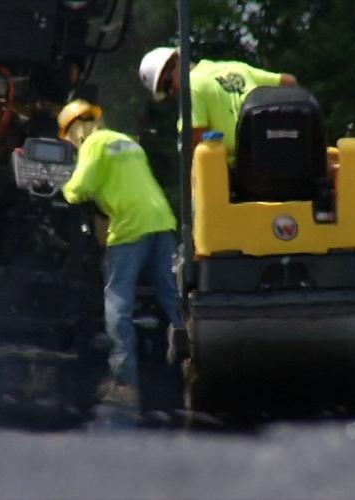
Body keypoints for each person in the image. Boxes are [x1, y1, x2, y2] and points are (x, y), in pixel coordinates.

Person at [58, 99, 186, 406]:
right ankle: (190, 363)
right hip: (162, 220)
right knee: (172, 296)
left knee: (117, 302)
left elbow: (79, 188)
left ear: (74, 132)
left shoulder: (92, 145)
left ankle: (125, 381)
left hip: (130, 227)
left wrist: (63, 186)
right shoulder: (127, 142)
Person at [138, 47, 298, 164]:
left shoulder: (191, 86)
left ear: (175, 62)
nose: (171, 92)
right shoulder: (236, 67)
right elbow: (288, 81)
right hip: (285, 159)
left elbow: (196, 145)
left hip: (243, 179)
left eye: (166, 84)